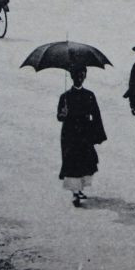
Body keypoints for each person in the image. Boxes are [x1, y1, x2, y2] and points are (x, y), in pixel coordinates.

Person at [57, 67, 108, 207]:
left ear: (85, 76)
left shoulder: (89, 95)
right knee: (72, 161)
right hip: (70, 134)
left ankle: (79, 189)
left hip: (85, 133)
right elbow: (59, 117)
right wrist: (64, 113)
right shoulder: (65, 96)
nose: (79, 78)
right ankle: (75, 192)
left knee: (85, 161)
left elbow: (96, 115)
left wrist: (98, 134)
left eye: (82, 75)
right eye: (76, 75)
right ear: (72, 77)